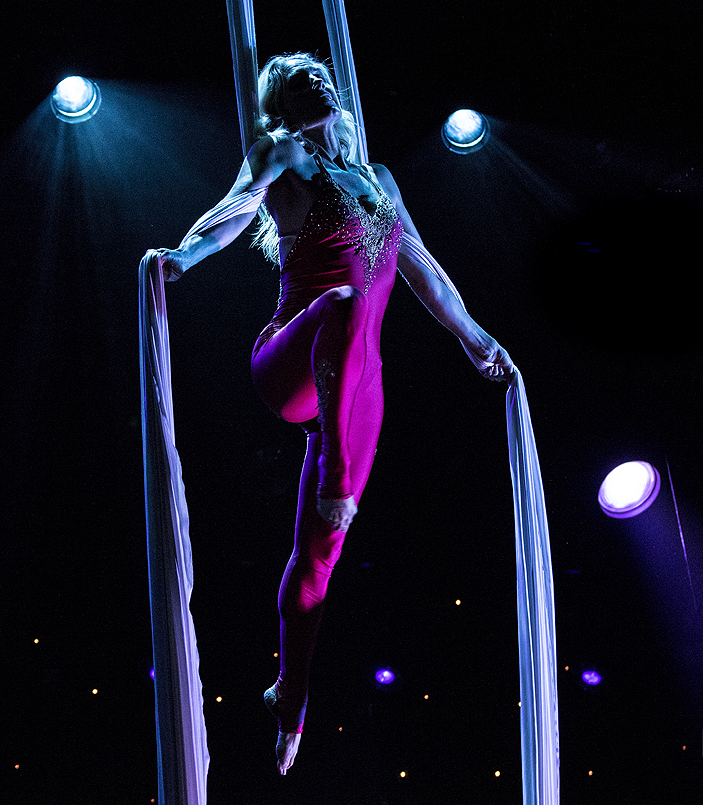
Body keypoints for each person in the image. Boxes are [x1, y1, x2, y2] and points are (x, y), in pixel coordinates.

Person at [149, 53, 515, 775]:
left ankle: (290, 696)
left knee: (318, 559)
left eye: (318, 69)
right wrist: (183, 258)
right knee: (342, 304)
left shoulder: (380, 181)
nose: (312, 75)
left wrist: (478, 341)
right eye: (295, 76)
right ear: (281, 104)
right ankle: (337, 480)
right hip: (292, 360)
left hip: (358, 386)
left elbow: (425, 271)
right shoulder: (281, 154)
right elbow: (235, 210)